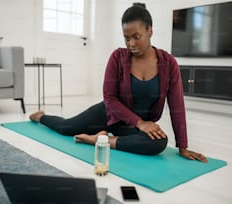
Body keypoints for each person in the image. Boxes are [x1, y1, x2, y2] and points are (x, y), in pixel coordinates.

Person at [30, 4, 207, 162]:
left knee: (159, 142)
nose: (131, 43)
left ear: (150, 31)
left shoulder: (168, 63)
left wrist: (182, 146)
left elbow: (177, 106)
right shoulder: (118, 57)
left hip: (131, 128)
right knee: (66, 127)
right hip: (108, 115)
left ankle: (100, 140)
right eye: (127, 38)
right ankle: (40, 116)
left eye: (137, 36)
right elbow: (110, 98)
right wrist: (140, 123)